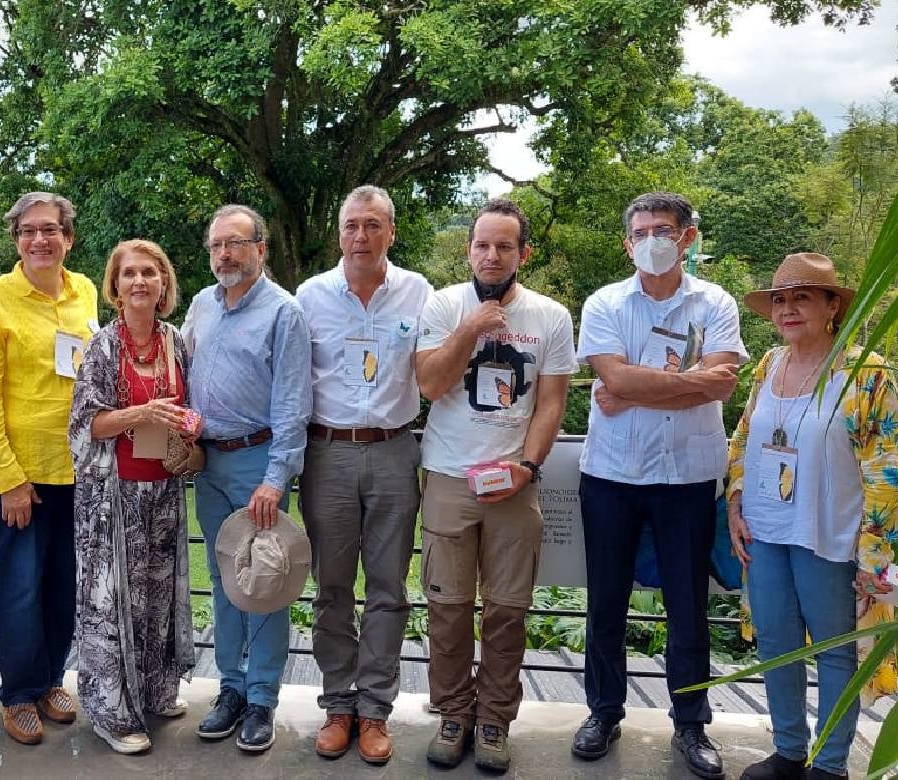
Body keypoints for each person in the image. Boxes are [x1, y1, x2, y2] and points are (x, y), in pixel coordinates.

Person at [571, 191, 747, 780]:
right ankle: (603, 712)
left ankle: (691, 723)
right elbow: (613, 377)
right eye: (641, 232)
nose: (653, 241)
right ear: (628, 244)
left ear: (687, 237)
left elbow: (723, 383)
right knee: (606, 601)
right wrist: (689, 381)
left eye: (664, 230)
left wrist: (629, 390)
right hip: (611, 476)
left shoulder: (715, 302)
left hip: (688, 477)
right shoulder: (604, 302)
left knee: (688, 606)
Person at [414, 198, 576, 771]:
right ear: (468, 250)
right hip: (449, 477)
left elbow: (551, 403)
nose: (491, 255)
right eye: (482, 244)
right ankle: (453, 713)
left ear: (523, 253)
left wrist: (528, 467)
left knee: (506, 612)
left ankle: (494, 720)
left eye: (504, 246)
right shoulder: (443, 305)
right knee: (448, 609)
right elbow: (430, 384)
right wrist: (471, 327)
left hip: (514, 482)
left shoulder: (550, 317)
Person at [726, 252, 898, 780]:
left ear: (832, 307)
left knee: (834, 649)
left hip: (831, 535)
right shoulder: (769, 365)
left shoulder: (866, 373)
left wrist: (875, 552)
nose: (788, 309)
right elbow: (743, 436)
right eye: (780, 299)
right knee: (776, 643)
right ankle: (788, 752)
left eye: (802, 297)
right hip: (766, 530)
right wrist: (734, 502)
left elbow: (887, 463)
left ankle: (829, 764)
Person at [294, 185, 431, 765]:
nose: (361, 236)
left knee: (388, 587)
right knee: (330, 587)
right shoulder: (310, 296)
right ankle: (337, 705)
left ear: (391, 232)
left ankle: (374, 708)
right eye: (352, 225)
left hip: (395, 450)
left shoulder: (419, 293)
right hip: (327, 452)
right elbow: (291, 381)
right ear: (339, 232)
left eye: (373, 225)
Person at [0, 191, 98, 745]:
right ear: (16, 241)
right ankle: (17, 693)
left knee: (64, 583)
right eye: (28, 231)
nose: (39, 240)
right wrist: (9, 479)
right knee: (18, 587)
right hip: (16, 475)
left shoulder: (85, 291)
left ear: (69, 238)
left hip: (76, 470)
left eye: (50, 230)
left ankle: (49, 681)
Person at [182, 204, 312, 753]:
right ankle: (231, 689)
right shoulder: (200, 305)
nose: (224, 255)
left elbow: (293, 404)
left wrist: (276, 478)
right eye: (216, 246)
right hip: (207, 464)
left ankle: (261, 698)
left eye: (235, 243)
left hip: (258, 463)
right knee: (223, 578)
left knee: (266, 580)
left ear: (260, 248)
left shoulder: (284, 312)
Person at [69, 239, 198, 754]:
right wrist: (141, 414)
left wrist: (189, 433)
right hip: (112, 498)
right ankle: (112, 712)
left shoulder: (175, 342)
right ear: (115, 287)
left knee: (157, 597)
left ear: (164, 283)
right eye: (129, 274)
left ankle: (154, 690)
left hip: (164, 491)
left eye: (149, 272)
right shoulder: (102, 346)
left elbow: (189, 409)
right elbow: (86, 424)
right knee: (111, 600)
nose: (140, 281)